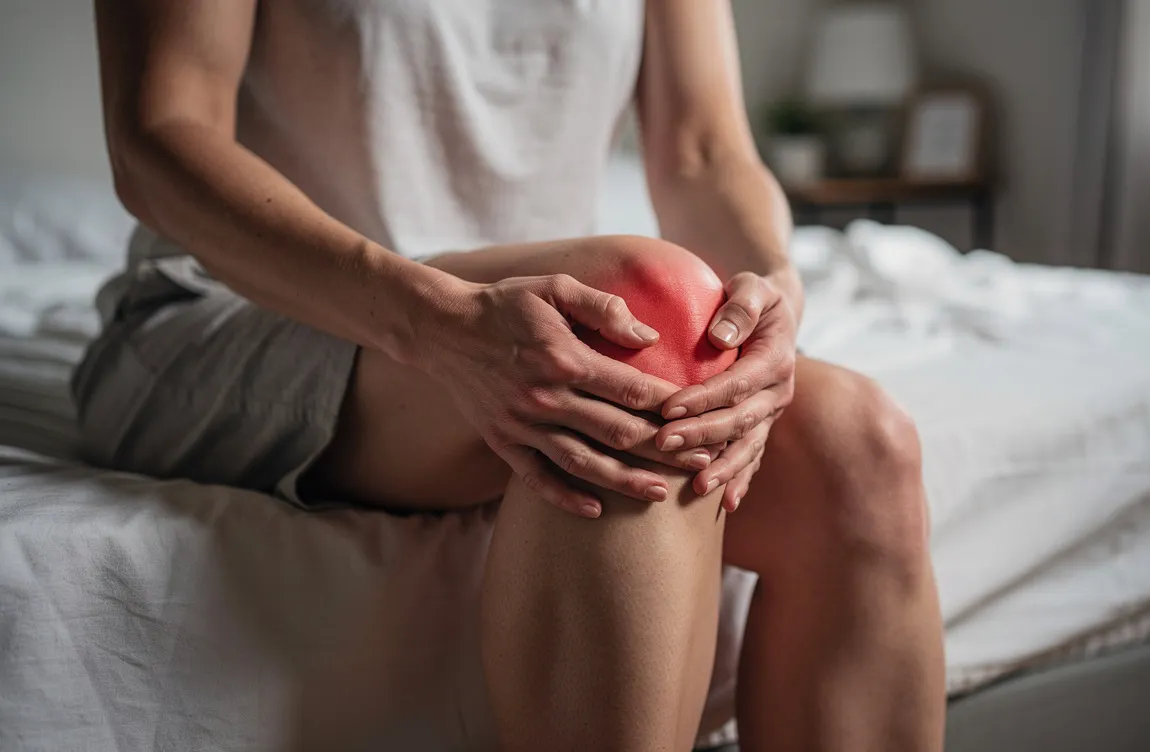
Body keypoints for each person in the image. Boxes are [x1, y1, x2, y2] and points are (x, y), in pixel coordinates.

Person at [75, 1, 945, 750]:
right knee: (638, 310)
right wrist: (427, 317)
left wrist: (775, 292)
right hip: (249, 301)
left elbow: (705, 151)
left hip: (534, 315)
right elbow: (161, 134)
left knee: (858, 446)